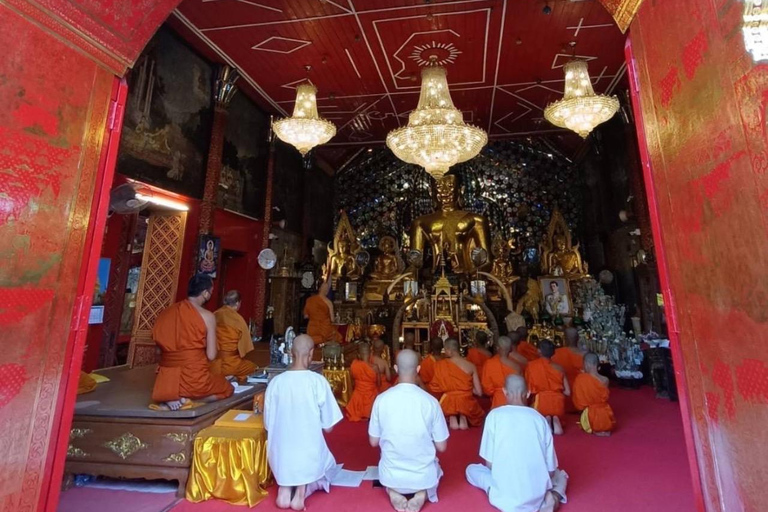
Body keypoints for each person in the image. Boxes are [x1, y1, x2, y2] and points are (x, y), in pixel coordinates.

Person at [466, 375, 568, 512]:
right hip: (536, 495)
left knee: (471, 469)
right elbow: (550, 471)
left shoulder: (494, 416)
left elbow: (489, 465)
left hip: (503, 496)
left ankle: (503, 495)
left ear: (504, 392)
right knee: (561, 475)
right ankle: (553, 498)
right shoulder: (539, 419)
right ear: (528, 393)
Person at [265, 335, 343, 510]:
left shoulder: (275, 383)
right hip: (308, 457)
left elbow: (268, 425)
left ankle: (284, 491)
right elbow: (329, 427)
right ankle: (301, 493)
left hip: (281, 457)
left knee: (288, 449)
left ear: (291, 353)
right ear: (311, 354)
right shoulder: (317, 382)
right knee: (328, 464)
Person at [369, 350, 450, 512]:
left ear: (395, 369)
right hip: (423, 477)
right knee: (437, 468)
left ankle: (392, 491)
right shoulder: (431, 402)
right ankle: (422, 494)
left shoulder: (381, 400)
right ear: (418, 369)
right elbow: (442, 447)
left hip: (391, 476)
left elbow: (373, 442)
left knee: (386, 470)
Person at [151, 274, 233, 410]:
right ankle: (188, 401)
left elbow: (158, 351)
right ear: (205, 293)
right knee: (226, 388)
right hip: (194, 379)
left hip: (165, 381)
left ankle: (170, 397)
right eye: (210, 292)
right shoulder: (207, 316)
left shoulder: (165, 313)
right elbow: (211, 355)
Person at [428, 338, 484, 429]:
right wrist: (466, 388)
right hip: (466, 401)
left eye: (445, 350)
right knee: (462, 400)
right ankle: (463, 416)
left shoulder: (440, 365)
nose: (444, 352)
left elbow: (435, 387)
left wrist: (451, 389)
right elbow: (479, 392)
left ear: (450, 351)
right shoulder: (471, 365)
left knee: (449, 402)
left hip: (448, 402)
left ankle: (452, 417)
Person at [210, 290, 256, 383]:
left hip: (213, 364)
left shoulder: (214, 314)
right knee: (254, 368)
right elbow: (245, 348)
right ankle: (232, 376)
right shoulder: (238, 319)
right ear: (238, 303)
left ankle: (226, 377)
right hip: (231, 365)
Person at [525, 340, 570, 435]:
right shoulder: (560, 368)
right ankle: (556, 418)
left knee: (539, 412)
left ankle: (546, 419)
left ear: (539, 351)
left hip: (541, 402)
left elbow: (529, 391)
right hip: (558, 403)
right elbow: (567, 392)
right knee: (555, 411)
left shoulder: (531, 366)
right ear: (553, 352)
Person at [572, 353, 616, 436]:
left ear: (586, 364)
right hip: (605, 412)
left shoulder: (581, 378)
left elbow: (579, 403)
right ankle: (604, 427)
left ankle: (595, 427)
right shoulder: (605, 380)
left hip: (590, 413)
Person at [481, 336, 521, 409]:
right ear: (511, 349)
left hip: (497, 400)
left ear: (497, 348)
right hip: (514, 400)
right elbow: (520, 387)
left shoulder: (489, 363)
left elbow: (487, 388)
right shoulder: (517, 367)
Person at [347, 343, 380, 422]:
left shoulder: (354, 365)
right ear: (370, 353)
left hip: (357, 398)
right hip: (371, 397)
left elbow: (352, 381)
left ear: (358, 354)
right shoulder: (375, 367)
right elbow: (379, 384)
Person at [304, 279, 341, 346]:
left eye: (327, 288)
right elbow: (332, 319)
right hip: (325, 330)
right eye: (326, 288)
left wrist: (314, 317)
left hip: (312, 328)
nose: (326, 290)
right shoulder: (328, 302)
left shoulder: (310, 300)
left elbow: (306, 316)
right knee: (338, 337)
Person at [551, 327, 585, 393]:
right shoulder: (585, 356)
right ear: (578, 339)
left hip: (563, 389)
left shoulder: (556, 353)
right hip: (581, 390)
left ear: (564, 339)